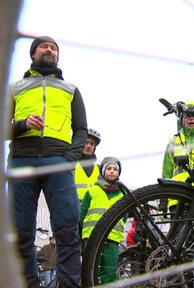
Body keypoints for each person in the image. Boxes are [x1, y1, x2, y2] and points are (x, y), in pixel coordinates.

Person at [8, 35, 87, 288]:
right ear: (33, 53)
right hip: (22, 159)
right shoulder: (15, 88)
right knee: (20, 231)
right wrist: (22, 125)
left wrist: (70, 159)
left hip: (58, 160)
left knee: (67, 229)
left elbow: (82, 130)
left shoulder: (70, 89)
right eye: (44, 46)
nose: (50, 50)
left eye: (54, 48)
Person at [80, 157, 124, 284]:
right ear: (103, 172)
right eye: (109, 168)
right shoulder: (92, 191)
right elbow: (82, 214)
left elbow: (124, 216)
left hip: (113, 239)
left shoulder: (122, 195)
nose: (112, 171)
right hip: (92, 237)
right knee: (91, 270)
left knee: (110, 271)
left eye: (115, 169)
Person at [75, 128, 102, 204]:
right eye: (86, 142)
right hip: (74, 209)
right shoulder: (71, 165)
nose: (88, 146)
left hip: (92, 212)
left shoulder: (99, 169)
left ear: (94, 148)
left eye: (91, 144)